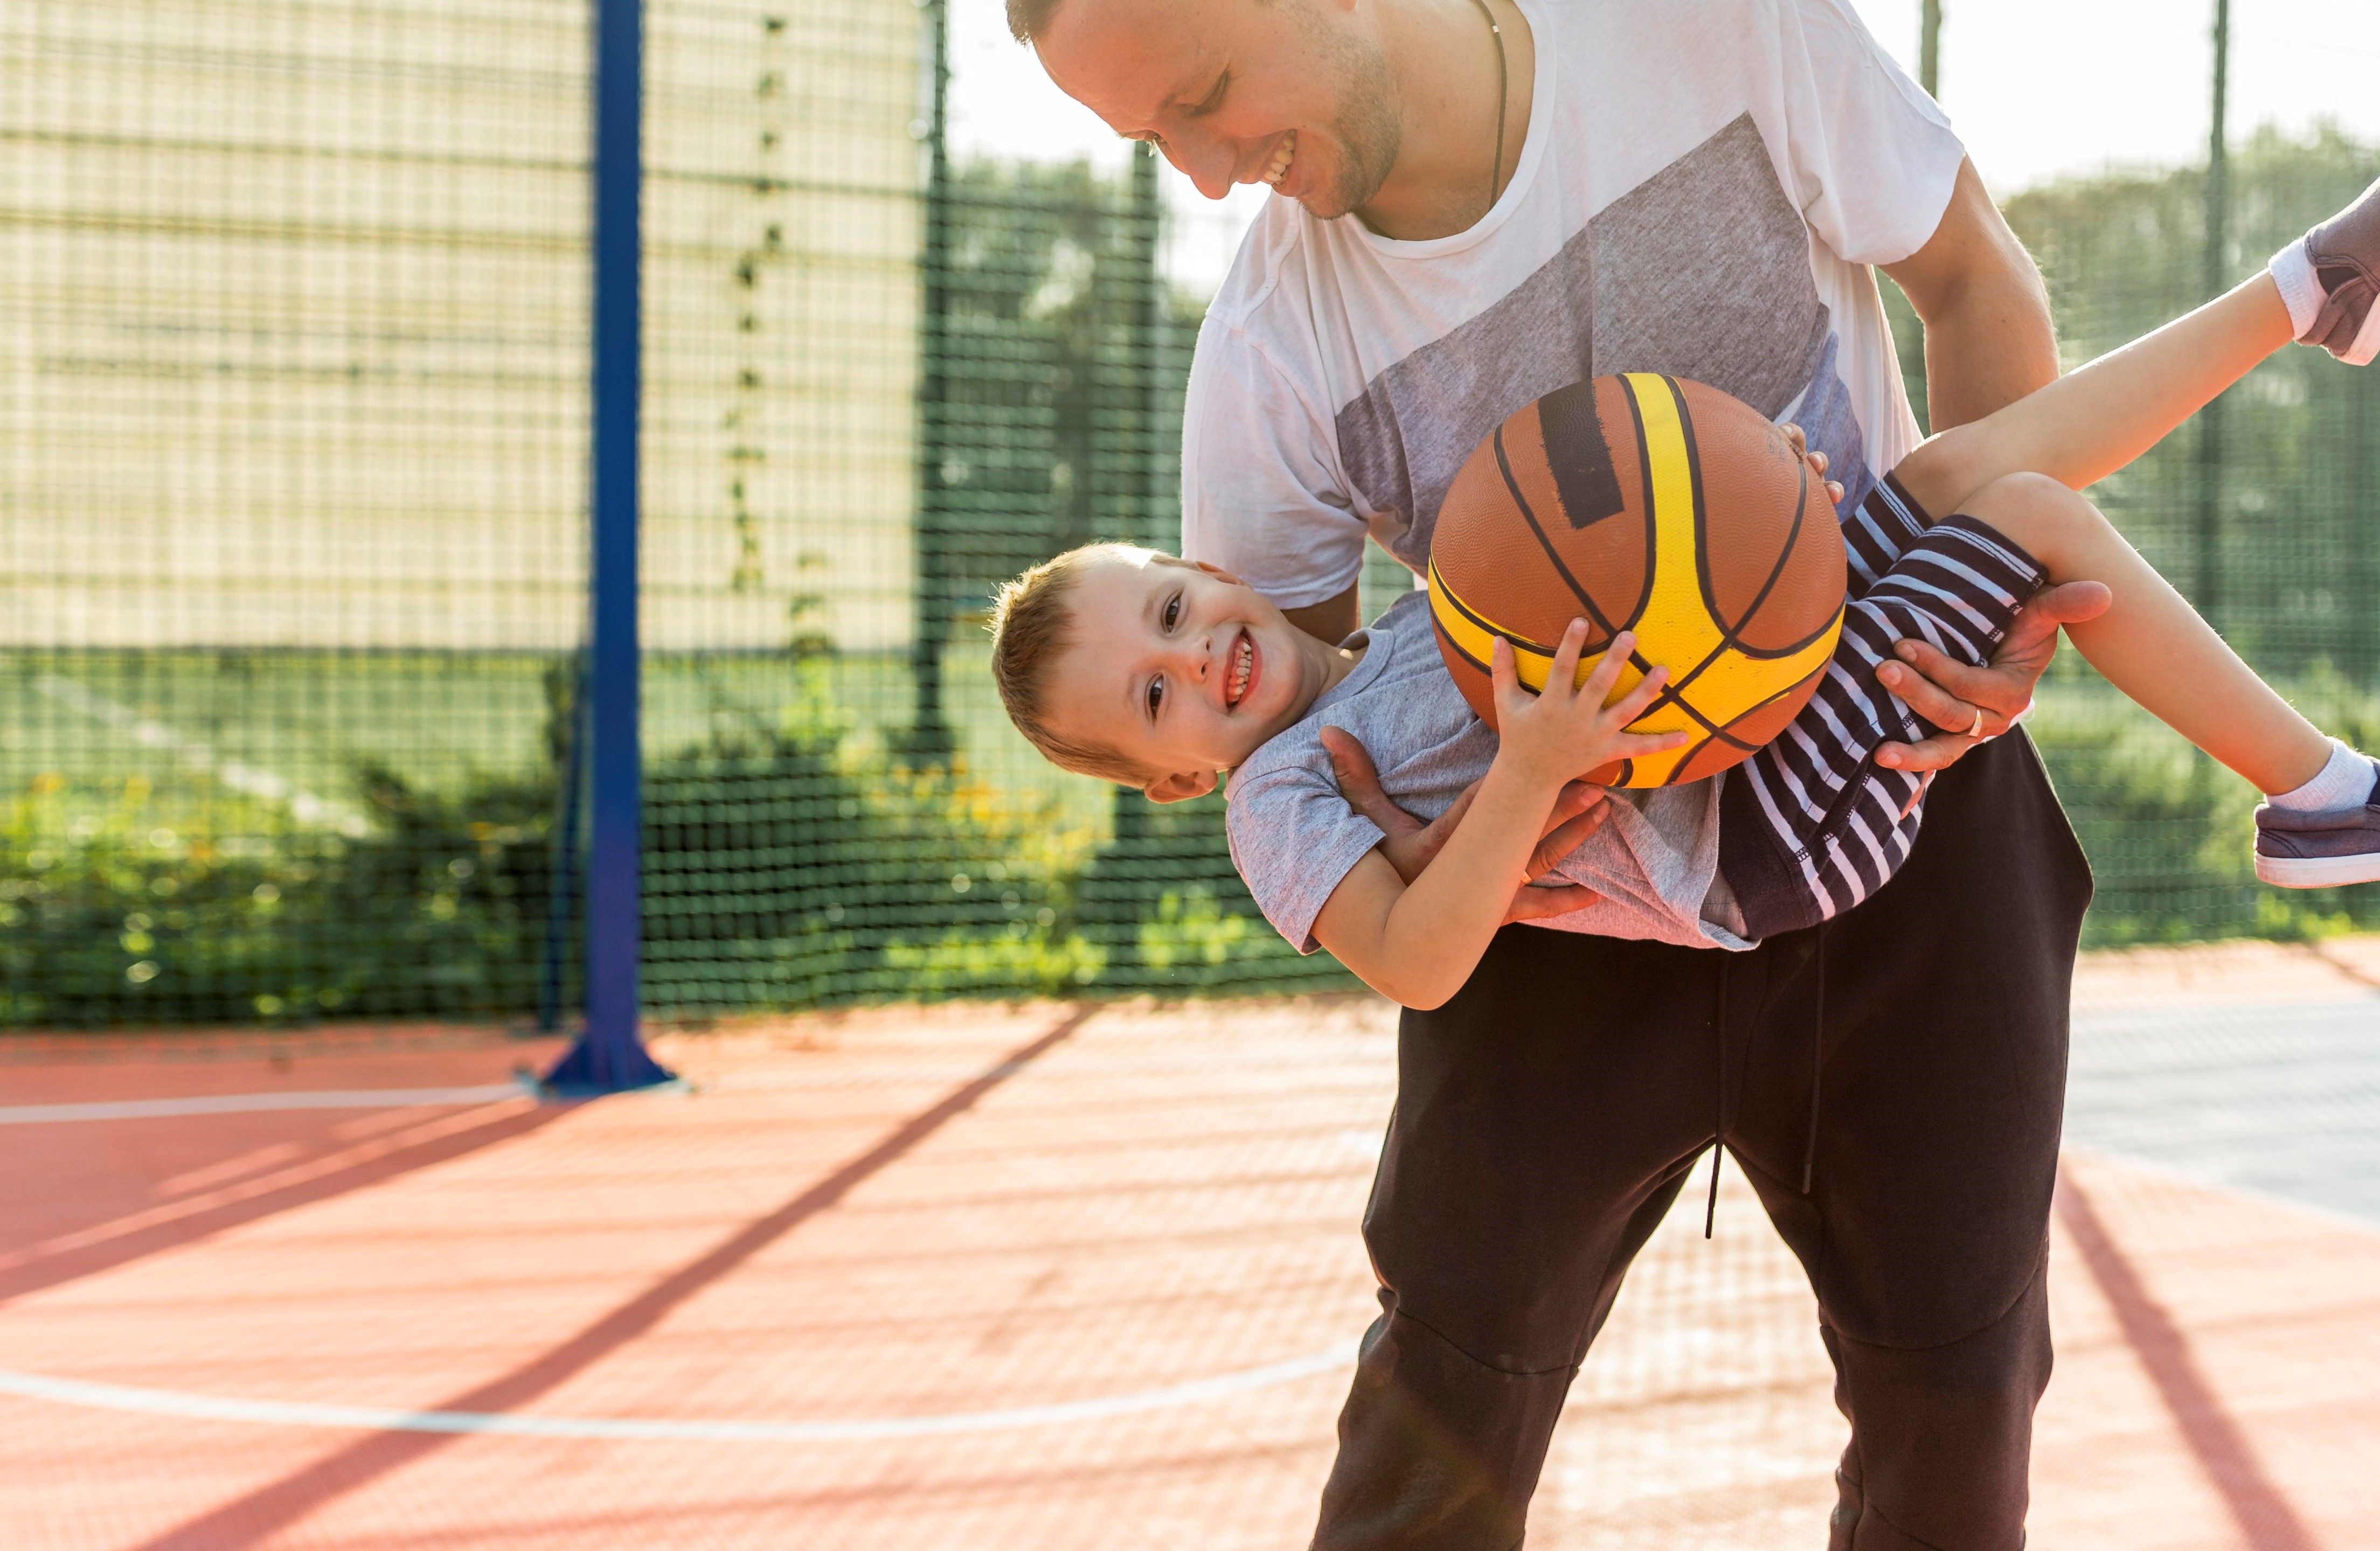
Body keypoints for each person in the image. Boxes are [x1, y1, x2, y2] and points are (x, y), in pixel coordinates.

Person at [1002, 0, 2344, 1551]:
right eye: (1154, 142)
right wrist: (1478, 827)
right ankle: (2308, 313)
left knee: (1958, 1399)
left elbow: (1972, 272)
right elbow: (1320, 718)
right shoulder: (1271, 347)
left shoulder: (1705, 23)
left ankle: (2312, 344)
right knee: (1444, 1407)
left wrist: (1996, 627)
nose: (1211, 176)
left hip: (1887, 756)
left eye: (1208, 97)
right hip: (1561, 869)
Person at [988, 211, 2380, 1006]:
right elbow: (1414, 967)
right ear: (1171, 781)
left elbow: (1637, 579)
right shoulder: (1276, 798)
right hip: (1756, 843)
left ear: (1213, 569)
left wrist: (1759, 516)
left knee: (1957, 471)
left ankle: (2306, 290)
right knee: (2027, 516)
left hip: (1759, 711)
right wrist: (1529, 769)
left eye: (1167, 608)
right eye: (1151, 695)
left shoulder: (1423, 612)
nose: (1190, 658)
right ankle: (2320, 796)